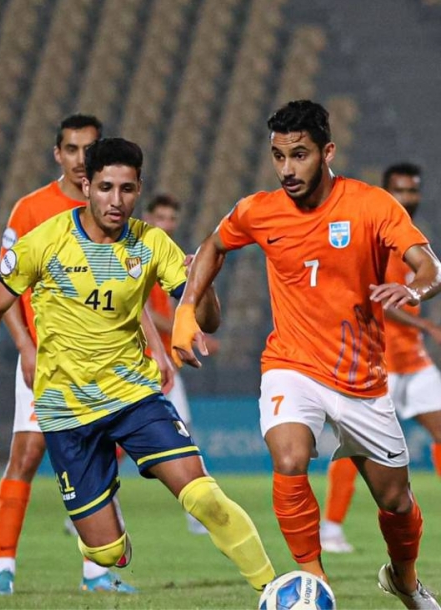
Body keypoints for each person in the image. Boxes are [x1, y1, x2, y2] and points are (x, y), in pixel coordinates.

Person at [0, 137, 276, 597]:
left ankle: (275, 589)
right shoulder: (45, 241)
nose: (116, 200)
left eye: (127, 189)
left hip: (134, 397)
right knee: (108, 552)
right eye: (106, 187)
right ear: (87, 187)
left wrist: (204, 283)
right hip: (66, 412)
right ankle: (102, 539)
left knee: (203, 496)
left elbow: (208, 319)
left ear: (139, 189)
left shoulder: (151, 243)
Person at [173, 100, 441, 609]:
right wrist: (187, 308)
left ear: (327, 151)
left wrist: (413, 290)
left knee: (397, 503)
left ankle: (404, 580)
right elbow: (213, 245)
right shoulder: (259, 210)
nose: (287, 169)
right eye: (278, 156)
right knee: (290, 457)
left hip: (362, 381)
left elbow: (430, 266)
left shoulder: (371, 205)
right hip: (291, 366)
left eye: (299, 155)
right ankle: (313, 582)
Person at [0, 114, 170, 595]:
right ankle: (2, 567)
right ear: (58, 154)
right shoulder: (31, 209)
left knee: (103, 456)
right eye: (71, 149)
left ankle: (96, 571)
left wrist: (156, 348)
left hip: (107, 364)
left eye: (88, 150)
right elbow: (2, 291)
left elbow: (127, 292)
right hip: (47, 359)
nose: (80, 159)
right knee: (27, 454)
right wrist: (26, 347)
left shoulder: (112, 212)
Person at [320, 162, 441, 555]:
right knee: (356, 445)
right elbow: (375, 297)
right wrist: (425, 325)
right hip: (377, 360)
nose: (408, 198)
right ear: (387, 193)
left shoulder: (413, 239)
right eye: (400, 191)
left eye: (413, 190)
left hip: (414, 361)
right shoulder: (375, 236)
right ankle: (331, 527)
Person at [143, 193, 220, 536]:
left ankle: (199, 513)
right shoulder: (139, 254)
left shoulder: (170, 257)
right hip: (143, 361)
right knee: (179, 434)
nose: (167, 224)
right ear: (148, 218)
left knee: (181, 432)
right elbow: (146, 311)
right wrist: (183, 327)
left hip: (166, 360)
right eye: (161, 217)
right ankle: (200, 513)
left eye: (172, 218)